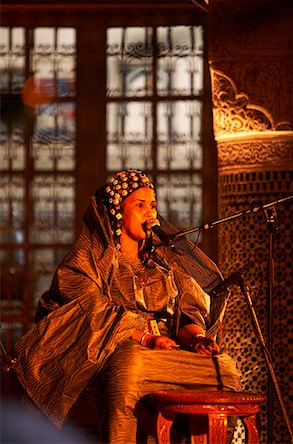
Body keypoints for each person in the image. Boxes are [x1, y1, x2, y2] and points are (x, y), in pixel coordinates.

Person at [10, 169, 241, 444]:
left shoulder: (167, 260)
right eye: (139, 205)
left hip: (169, 356)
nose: (149, 213)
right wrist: (146, 337)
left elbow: (188, 313)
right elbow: (87, 309)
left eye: (153, 205)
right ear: (117, 212)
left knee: (225, 368)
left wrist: (198, 339)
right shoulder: (91, 257)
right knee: (129, 364)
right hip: (119, 353)